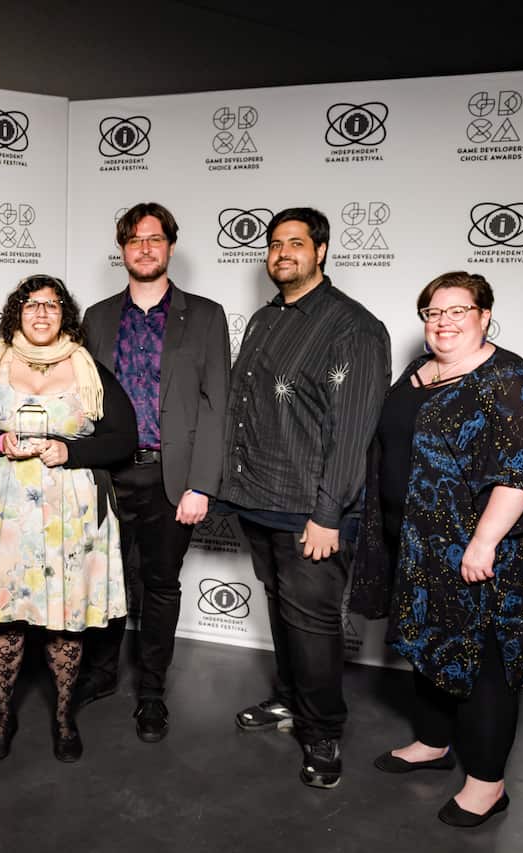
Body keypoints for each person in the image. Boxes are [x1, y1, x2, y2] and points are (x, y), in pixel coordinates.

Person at [350, 271, 523, 827]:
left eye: (457, 310)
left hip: (481, 551)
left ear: (484, 315)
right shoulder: (420, 373)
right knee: (431, 642)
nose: (443, 322)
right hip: (418, 545)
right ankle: (434, 744)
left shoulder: (507, 378)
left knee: (485, 661)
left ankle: (488, 784)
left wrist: (483, 542)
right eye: (433, 312)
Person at [219, 207, 390, 789]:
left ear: (320, 251)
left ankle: (323, 731)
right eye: (274, 244)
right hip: (260, 498)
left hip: (310, 509)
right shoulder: (268, 318)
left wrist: (328, 512)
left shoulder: (352, 327)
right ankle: (289, 700)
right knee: (282, 608)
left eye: (295, 243)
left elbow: (353, 428)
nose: (282, 253)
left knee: (314, 624)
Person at [0, 275, 137, 762]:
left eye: (52, 305)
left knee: (64, 621)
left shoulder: (87, 369)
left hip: (66, 515)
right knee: (5, 620)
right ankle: (3, 717)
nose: (42, 313)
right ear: (17, 312)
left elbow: (123, 439)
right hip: (4, 513)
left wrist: (68, 450)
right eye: (32, 305)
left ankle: (63, 718)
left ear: (64, 315)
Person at [77, 202, 230, 742]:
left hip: (172, 478)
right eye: (135, 239)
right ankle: (97, 676)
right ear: (122, 249)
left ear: (170, 246)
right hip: (107, 478)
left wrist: (202, 484)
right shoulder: (95, 317)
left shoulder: (206, 316)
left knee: (161, 585)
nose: (145, 247)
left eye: (155, 238)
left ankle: (151, 693)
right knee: (103, 583)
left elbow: (218, 405)